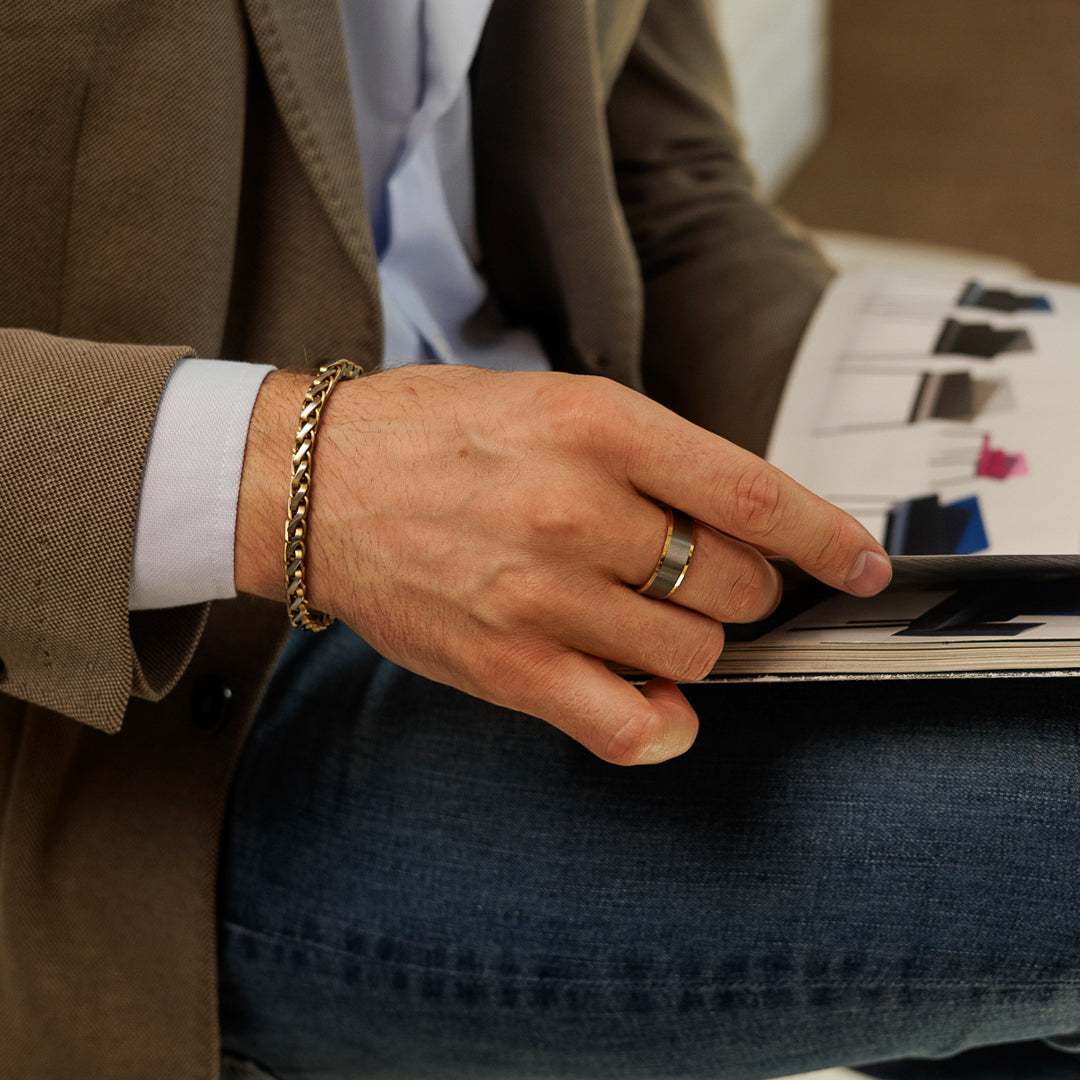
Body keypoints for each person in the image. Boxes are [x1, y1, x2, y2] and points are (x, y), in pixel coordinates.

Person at [5, 3, 1080, 1079]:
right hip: (144, 708)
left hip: (583, 537)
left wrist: (948, 422)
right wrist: (299, 474)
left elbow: (665, 195)